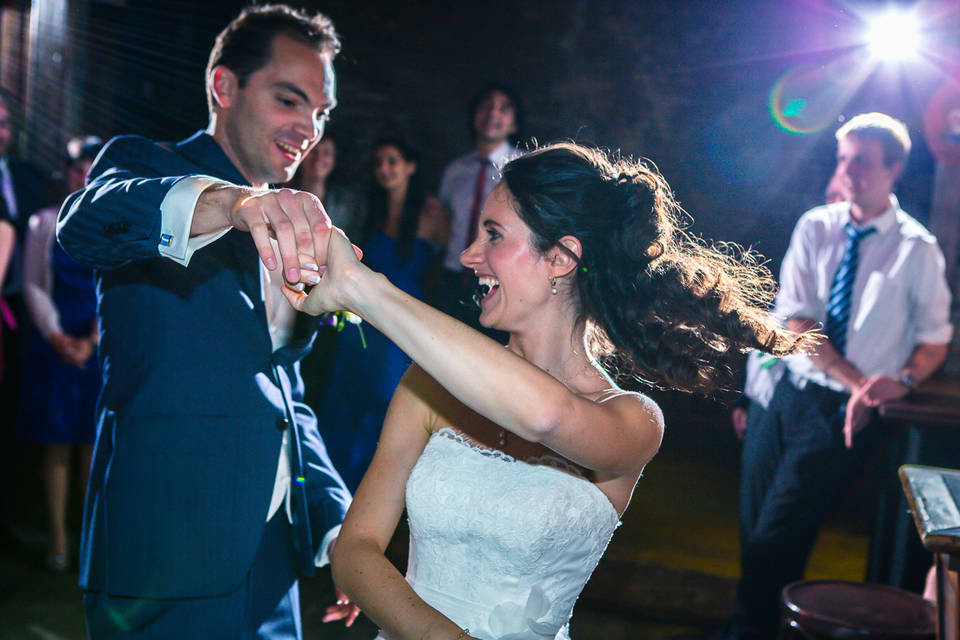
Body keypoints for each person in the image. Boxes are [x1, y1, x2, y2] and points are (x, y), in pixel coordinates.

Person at [285, 142, 809, 640]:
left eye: (493, 235)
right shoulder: (429, 383)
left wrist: (361, 288)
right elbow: (355, 548)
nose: (469, 255)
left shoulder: (631, 422)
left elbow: (546, 417)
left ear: (560, 258)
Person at [56, 5, 359, 637]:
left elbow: (284, 392)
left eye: (321, 112)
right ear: (224, 87)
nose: (308, 127)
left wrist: (337, 528)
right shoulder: (147, 164)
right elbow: (84, 223)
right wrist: (233, 202)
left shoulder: (298, 223)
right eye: (289, 99)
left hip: (274, 559)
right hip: (165, 558)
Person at [727, 112, 953, 640]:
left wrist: (905, 380)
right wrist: (861, 385)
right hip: (786, 395)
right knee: (754, 530)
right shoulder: (816, 225)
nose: (848, 171)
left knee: (778, 538)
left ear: (894, 168)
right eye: (843, 158)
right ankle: (758, 630)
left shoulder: (917, 249)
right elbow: (799, 321)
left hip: (837, 418)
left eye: (863, 161)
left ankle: (745, 635)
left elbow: (936, 338)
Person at [314, 137, 446, 491]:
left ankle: (370, 491)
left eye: (393, 161)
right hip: (363, 322)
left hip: (402, 324)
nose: (384, 169)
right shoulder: (369, 210)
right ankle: (328, 488)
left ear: (410, 166)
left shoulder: (432, 212)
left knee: (385, 400)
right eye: (379, 163)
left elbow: (445, 269)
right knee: (346, 397)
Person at [16, 136, 102, 572]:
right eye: (75, 168)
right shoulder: (42, 222)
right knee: (56, 446)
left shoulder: (109, 222)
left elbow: (118, 286)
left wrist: (93, 338)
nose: (81, 175)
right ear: (65, 173)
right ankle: (58, 539)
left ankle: (87, 537)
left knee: (91, 446)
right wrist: (56, 336)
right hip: (54, 342)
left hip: (95, 343)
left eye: (90, 167)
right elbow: (32, 282)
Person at [429, 85, 522, 335]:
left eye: (504, 108)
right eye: (487, 105)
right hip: (452, 278)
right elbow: (443, 226)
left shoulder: (525, 168)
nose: (493, 113)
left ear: (514, 123)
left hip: (498, 280)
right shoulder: (455, 171)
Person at [0, 88, 50, 546]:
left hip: (22, 312)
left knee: (17, 414)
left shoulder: (30, 177)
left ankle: (14, 515)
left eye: (3, 122)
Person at [294, 133, 367, 240]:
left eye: (326, 153)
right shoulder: (282, 196)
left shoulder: (348, 205)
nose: (319, 158)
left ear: (334, 160)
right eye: (313, 151)